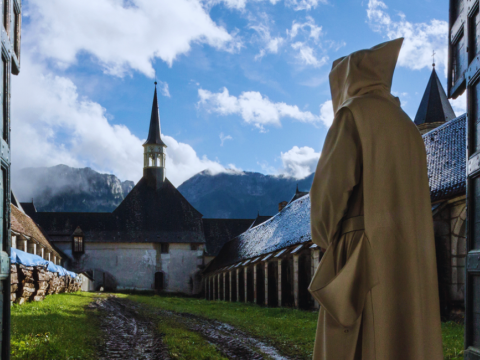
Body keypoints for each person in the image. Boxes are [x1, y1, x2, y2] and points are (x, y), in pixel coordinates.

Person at [308, 38, 443, 360]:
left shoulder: (352, 114)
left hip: (361, 251)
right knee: (404, 336)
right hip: (409, 255)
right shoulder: (408, 127)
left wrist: (327, 240)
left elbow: (329, 193)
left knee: (357, 340)